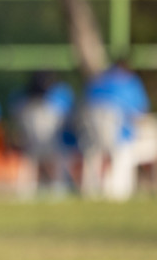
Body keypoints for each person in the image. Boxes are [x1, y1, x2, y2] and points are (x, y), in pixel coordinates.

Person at [77, 61, 152, 201]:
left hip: (92, 139)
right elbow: (139, 115)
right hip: (118, 139)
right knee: (128, 150)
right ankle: (120, 192)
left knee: (99, 153)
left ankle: (92, 189)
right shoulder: (130, 84)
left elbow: (80, 110)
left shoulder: (95, 83)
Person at [9, 71, 76, 195]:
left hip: (30, 147)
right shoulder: (58, 106)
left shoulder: (20, 105)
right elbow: (68, 125)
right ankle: (59, 188)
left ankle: (28, 190)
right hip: (53, 146)